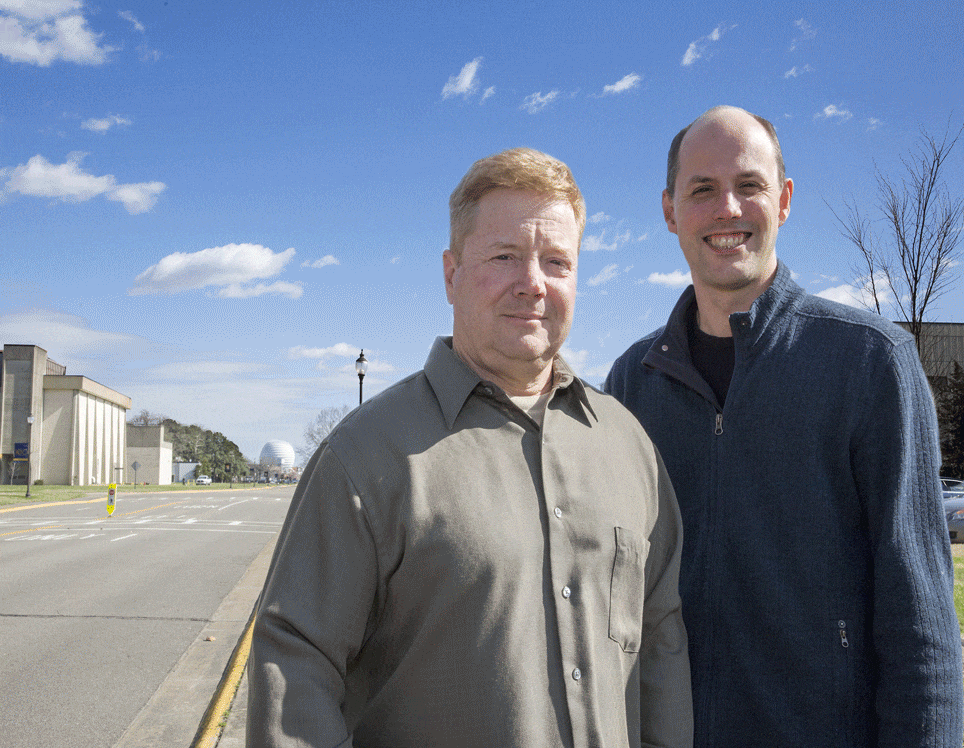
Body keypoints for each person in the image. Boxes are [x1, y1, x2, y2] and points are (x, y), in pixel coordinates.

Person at [247, 147, 693, 748]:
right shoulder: (365, 457)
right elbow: (295, 664)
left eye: (557, 262)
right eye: (505, 256)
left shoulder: (629, 447)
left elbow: (659, 643)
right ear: (451, 274)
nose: (532, 284)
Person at [605, 105, 964, 747]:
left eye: (750, 185)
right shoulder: (633, 381)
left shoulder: (869, 362)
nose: (728, 210)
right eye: (703, 190)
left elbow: (922, 625)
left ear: (785, 200)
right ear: (669, 211)